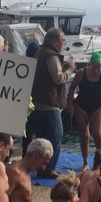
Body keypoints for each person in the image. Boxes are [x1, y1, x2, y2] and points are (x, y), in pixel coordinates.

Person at [29, 28, 76, 177]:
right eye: (63, 40)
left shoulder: (40, 53)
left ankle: (40, 167)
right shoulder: (51, 56)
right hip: (49, 103)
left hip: (38, 102)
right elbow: (58, 78)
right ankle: (49, 169)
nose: (64, 43)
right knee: (56, 135)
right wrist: (69, 70)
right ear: (55, 41)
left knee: (42, 137)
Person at [68, 52, 101, 171]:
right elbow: (71, 88)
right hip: (81, 105)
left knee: (97, 134)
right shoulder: (81, 72)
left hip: (97, 106)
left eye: (99, 67)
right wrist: (70, 105)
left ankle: (99, 162)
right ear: (90, 65)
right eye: (95, 67)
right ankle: (85, 162)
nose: (97, 70)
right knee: (84, 135)